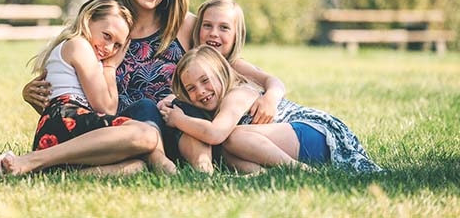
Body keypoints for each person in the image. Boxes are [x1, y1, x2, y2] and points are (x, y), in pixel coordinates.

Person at [21, 0, 209, 170]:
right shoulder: (107, 26)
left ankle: (199, 166)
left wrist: (270, 87)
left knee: (160, 109)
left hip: (177, 130)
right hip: (118, 136)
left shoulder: (183, 25)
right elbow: (70, 96)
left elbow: (224, 67)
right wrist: (31, 95)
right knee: (143, 111)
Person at [0, 0, 176, 176]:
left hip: (70, 128)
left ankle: (61, 174)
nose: (109, 48)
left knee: (136, 166)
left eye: (117, 45)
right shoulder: (79, 45)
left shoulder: (86, 51)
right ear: (88, 19)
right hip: (65, 120)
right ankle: (32, 160)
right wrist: (110, 66)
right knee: (147, 135)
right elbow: (106, 107)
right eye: (107, 36)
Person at [160, 45, 383, 173]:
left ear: (221, 73)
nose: (200, 91)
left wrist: (178, 119)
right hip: (293, 142)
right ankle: (262, 175)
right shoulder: (213, 102)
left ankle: (298, 170)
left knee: (231, 138)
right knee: (227, 152)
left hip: (316, 134)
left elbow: (216, 133)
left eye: (205, 80)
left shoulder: (237, 94)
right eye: (191, 88)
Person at [192, 0, 286, 124]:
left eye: (224, 27)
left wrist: (270, 99)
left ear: (237, 35)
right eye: (207, 25)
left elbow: (275, 82)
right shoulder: (194, 66)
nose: (213, 33)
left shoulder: (235, 65)